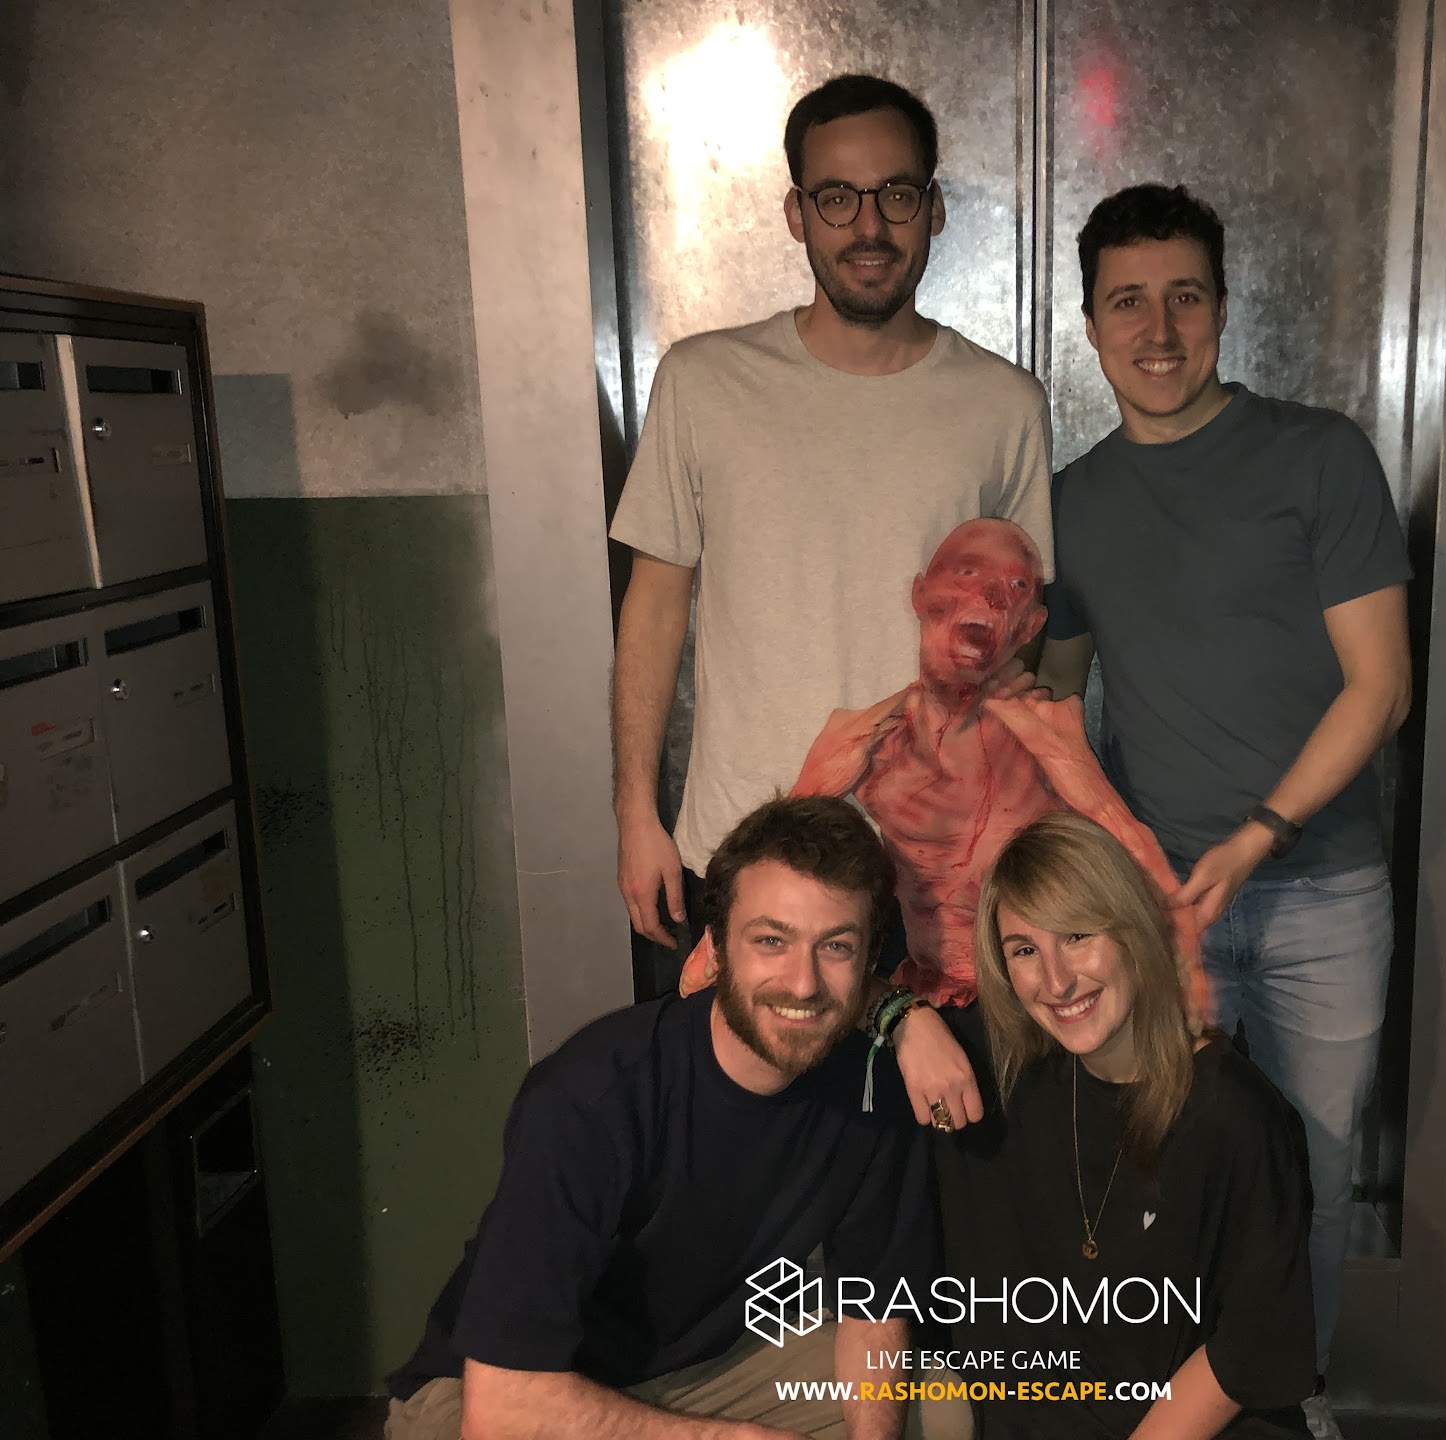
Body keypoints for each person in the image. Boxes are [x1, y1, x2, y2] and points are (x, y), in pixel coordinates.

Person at [1036, 183, 1413, 1439]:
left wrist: (1258, 837)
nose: (1159, 330)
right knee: (1162, 1172)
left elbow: (1382, 687)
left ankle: (1290, 1400)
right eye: (1127, 303)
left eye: (1184, 297)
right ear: (1092, 323)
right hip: (1156, 911)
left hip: (1320, 896)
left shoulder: (1319, 455)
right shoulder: (1073, 503)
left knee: (1314, 1175)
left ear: (1223, 309)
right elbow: (1057, 705)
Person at [611, 73, 1054, 957]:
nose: (868, 226)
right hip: (743, 857)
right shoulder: (703, 383)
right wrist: (634, 813)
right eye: (837, 197)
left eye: (896, 194)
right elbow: (654, 608)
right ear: (797, 214)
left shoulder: (1005, 404)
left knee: (931, 1059)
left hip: (932, 874)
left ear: (933, 208)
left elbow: (1017, 636)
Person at [384, 795, 967, 1440]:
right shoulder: (591, 1099)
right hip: (494, 1388)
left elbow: (873, 1315)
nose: (803, 984)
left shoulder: (873, 1087)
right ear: (715, 948)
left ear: (868, 961)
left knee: (936, 1409)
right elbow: (500, 1411)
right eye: (771, 941)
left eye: (835, 946)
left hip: (697, 1370)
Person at [676, 519, 1204, 1133]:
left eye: (1013, 588)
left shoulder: (1042, 736)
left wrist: (1191, 998)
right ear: (921, 595)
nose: (988, 595)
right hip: (919, 997)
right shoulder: (869, 741)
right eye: (967, 575)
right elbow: (761, 883)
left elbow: (1141, 862)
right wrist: (816, 781)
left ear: (1029, 626)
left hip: (1036, 1008)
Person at [936, 812, 1316, 1439]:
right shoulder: (1000, 1067)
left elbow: (1249, 1345)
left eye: (1078, 936)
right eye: (1025, 950)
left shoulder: (1235, 1113)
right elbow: (829, 1000)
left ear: (1133, 929)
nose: (1057, 981)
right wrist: (901, 1020)